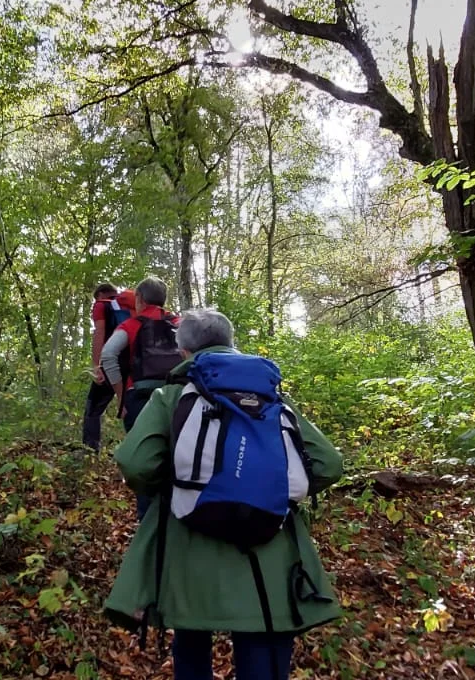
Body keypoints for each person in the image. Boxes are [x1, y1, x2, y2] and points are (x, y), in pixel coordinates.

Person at [103, 309, 343, 680]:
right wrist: (271, 487)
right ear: (232, 343)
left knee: (190, 640)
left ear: (183, 351)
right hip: (269, 550)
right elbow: (328, 464)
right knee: (263, 644)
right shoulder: (272, 398)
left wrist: (180, 481)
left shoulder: (171, 396)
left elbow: (136, 464)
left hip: (189, 543)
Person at [100, 276, 183, 517]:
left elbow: (108, 355)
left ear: (139, 299)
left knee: (144, 463)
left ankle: (148, 522)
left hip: (140, 400)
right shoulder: (180, 324)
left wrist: (121, 396)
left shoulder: (132, 325)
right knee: (178, 458)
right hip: (177, 399)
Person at [82, 282, 129, 451]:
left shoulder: (102, 305)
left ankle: (90, 451)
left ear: (101, 294)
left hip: (110, 363)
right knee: (131, 409)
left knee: (92, 410)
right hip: (133, 366)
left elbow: (99, 332)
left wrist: (97, 365)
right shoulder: (130, 307)